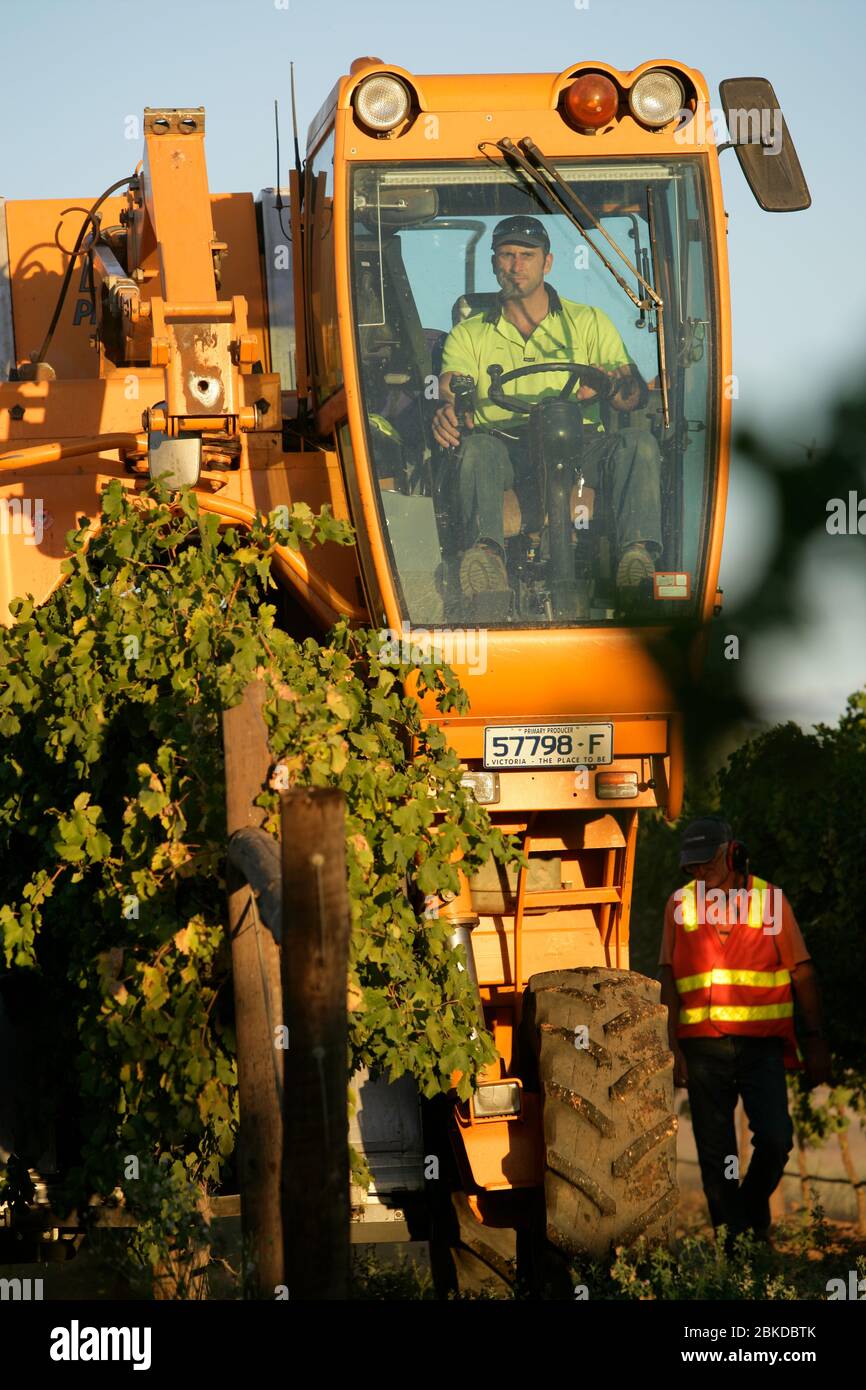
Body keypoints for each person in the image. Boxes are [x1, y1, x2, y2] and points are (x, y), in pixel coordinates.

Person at [431, 214, 662, 598]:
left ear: (547, 262)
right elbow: (452, 386)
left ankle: (636, 560)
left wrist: (607, 386)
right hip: (507, 449)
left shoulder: (589, 323)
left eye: (527, 254)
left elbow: (631, 394)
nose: (516, 265)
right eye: (506, 255)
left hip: (582, 447)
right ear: (494, 264)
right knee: (476, 448)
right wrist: (450, 407)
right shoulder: (468, 334)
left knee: (636, 443)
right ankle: (486, 561)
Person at [658, 816, 832, 1248]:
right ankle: (737, 1256)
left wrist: (815, 1043)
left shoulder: (770, 902)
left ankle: (750, 1210)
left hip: (761, 1047)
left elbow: (803, 974)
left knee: (775, 1140)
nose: (700, 874)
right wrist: (671, 1046)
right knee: (718, 1160)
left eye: (707, 864)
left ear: (733, 854)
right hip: (702, 1050)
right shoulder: (680, 905)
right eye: (692, 867)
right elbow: (666, 976)